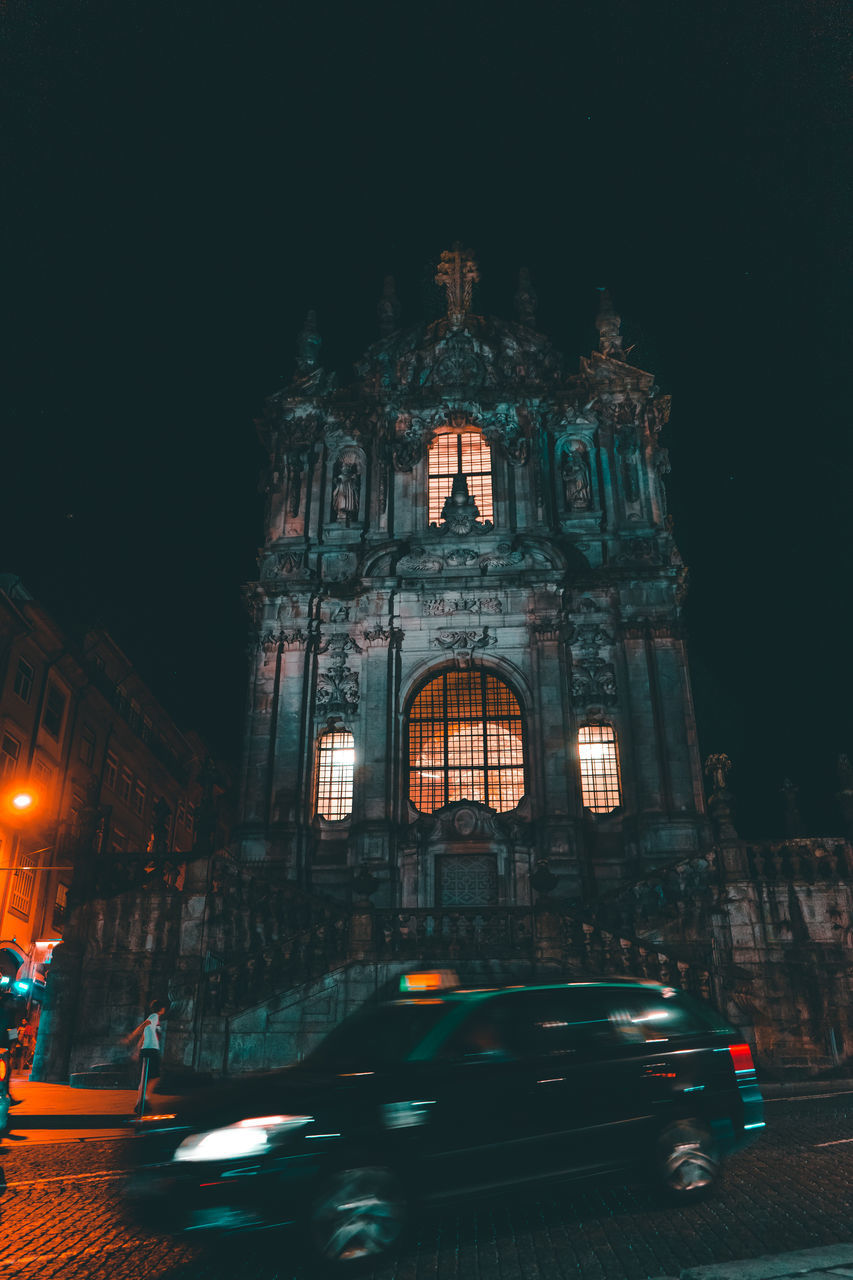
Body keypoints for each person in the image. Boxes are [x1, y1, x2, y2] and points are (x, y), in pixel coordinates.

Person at [124, 1000, 167, 1116]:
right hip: (152, 1050)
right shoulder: (154, 1016)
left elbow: (144, 1035)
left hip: (146, 1050)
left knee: (146, 1077)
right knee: (155, 1076)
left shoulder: (154, 1019)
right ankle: (145, 1099)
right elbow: (143, 1025)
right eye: (164, 1007)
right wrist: (131, 1036)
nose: (165, 1009)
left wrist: (137, 1051)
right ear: (160, 1008)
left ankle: (140, 1102)